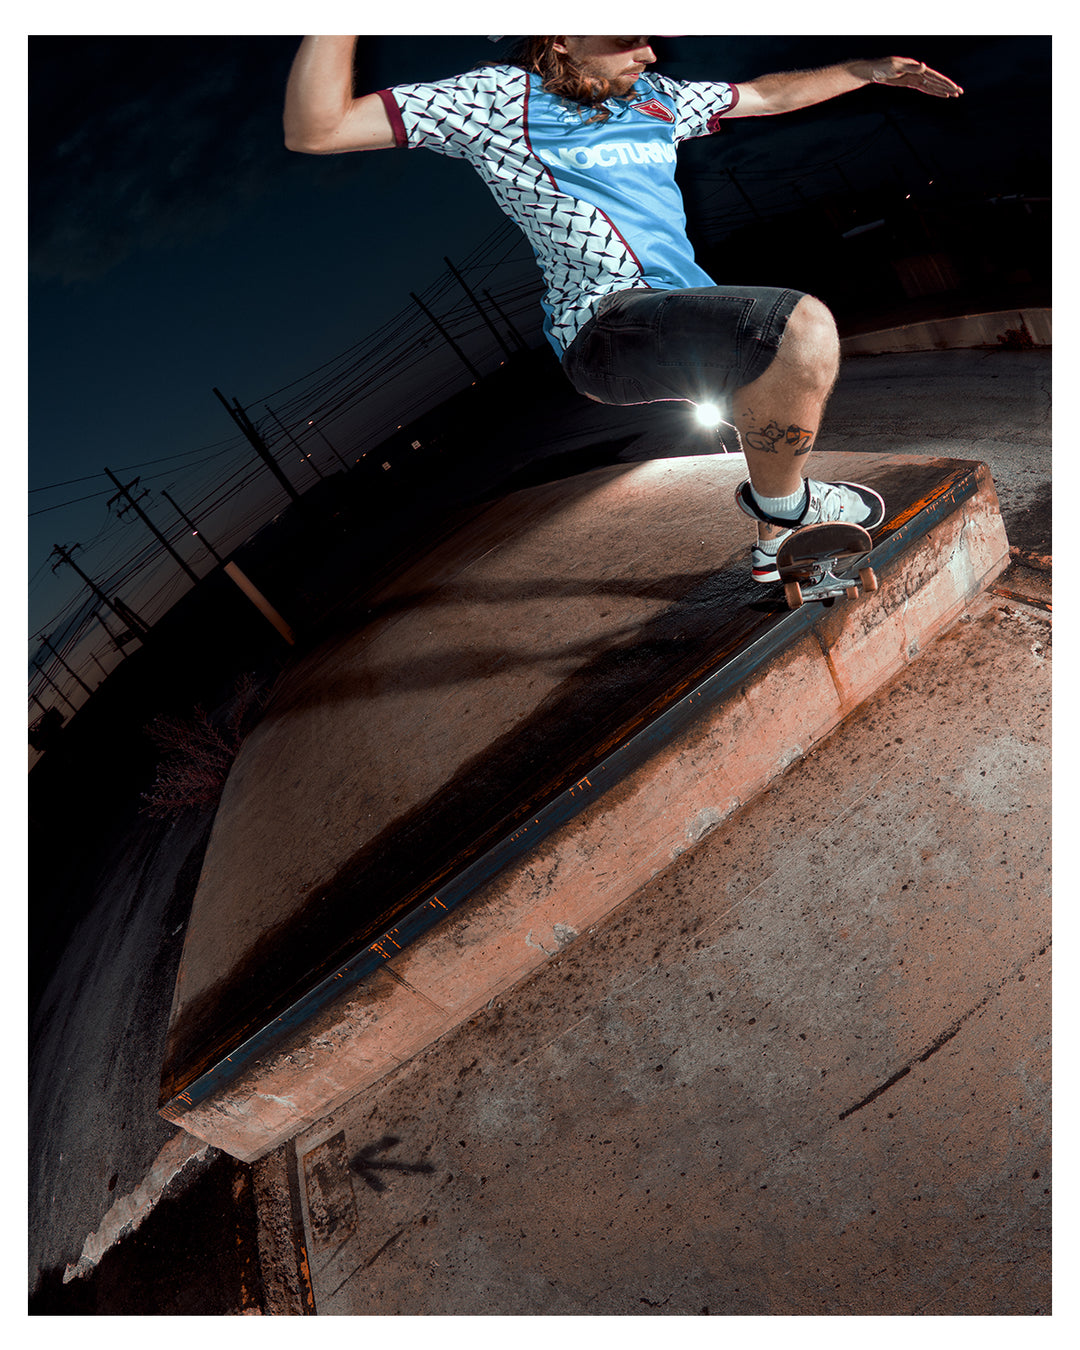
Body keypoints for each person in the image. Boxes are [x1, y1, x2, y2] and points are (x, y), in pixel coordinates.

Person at [284, 36, 963, 581]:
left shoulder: (656, 97)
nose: (649, 53)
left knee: (768, 389)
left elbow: (761, 94)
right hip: (604, 328)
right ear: (562, 38)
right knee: (800, 327)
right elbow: (320, 129)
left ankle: (774, 544)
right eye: (628, 37)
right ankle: (787, 506)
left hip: (682, 315)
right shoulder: (497, 98)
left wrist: (866, 69)